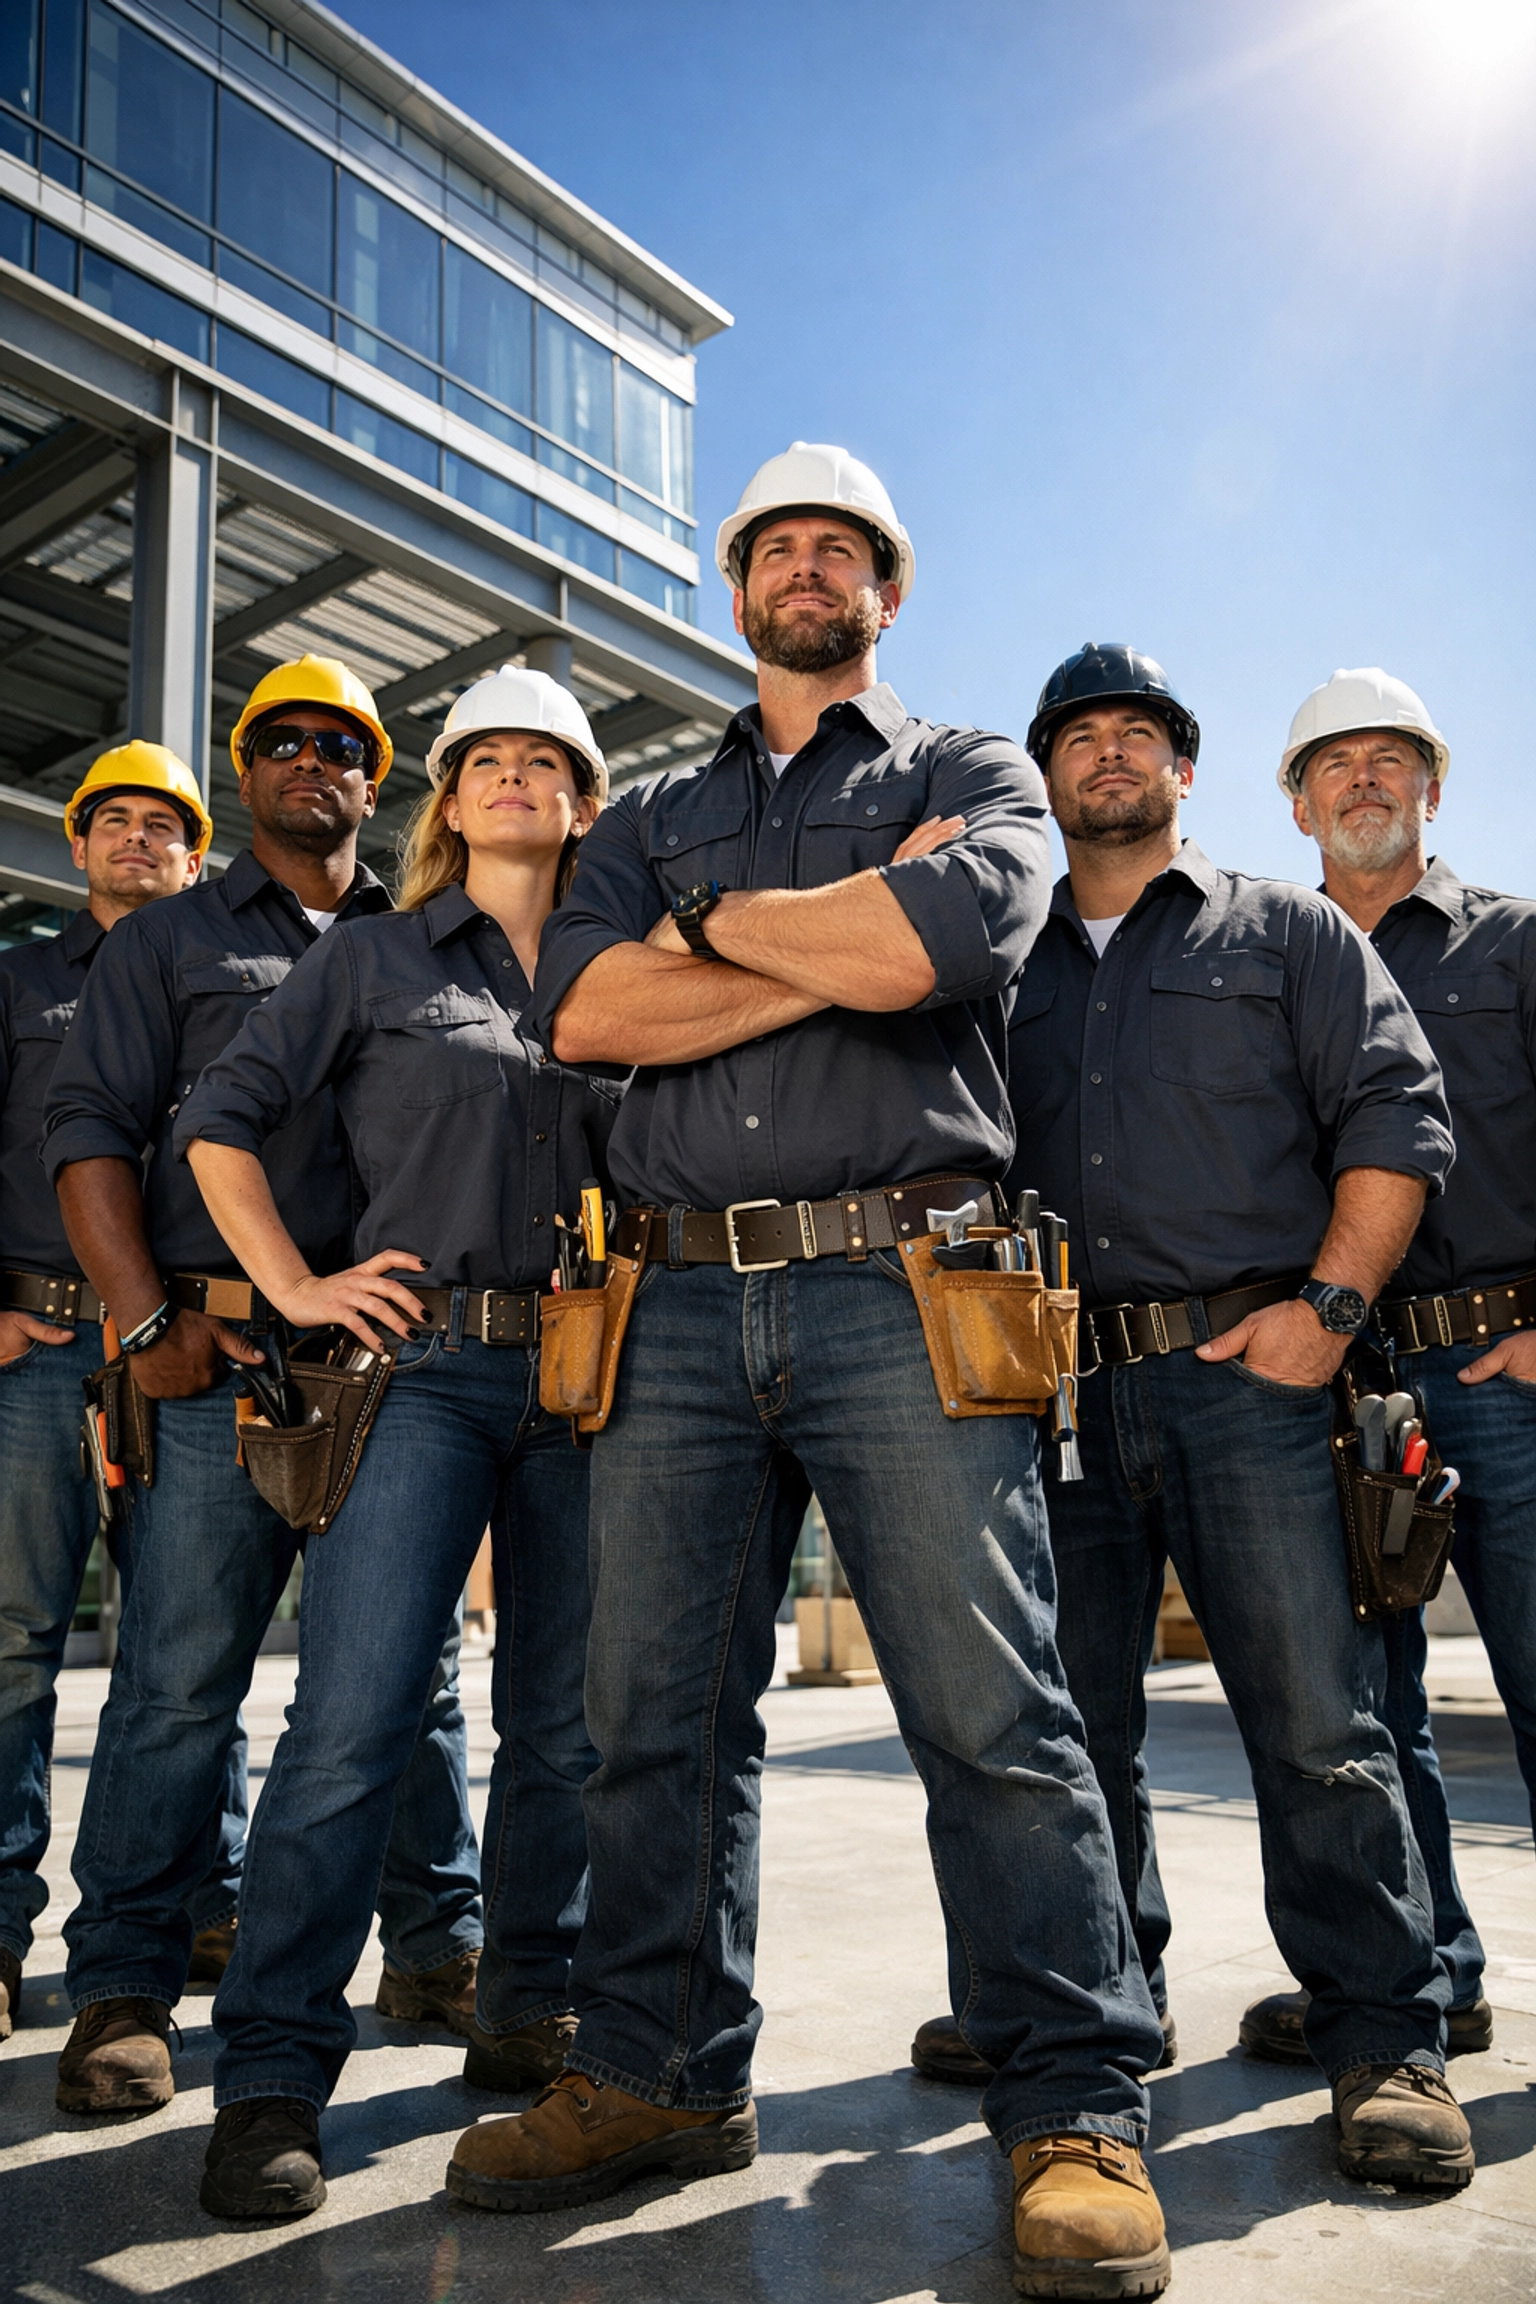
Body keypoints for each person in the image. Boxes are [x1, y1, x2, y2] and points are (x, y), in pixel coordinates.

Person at [455, 447, 1175, 2304]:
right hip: (677, 1301)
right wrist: (831, 945)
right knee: (653, 1720)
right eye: (775, 544)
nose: (805, 566)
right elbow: (587, 1011)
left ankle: (1072, 2102)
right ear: (738, 583)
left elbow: (960, 936)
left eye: (839, 547)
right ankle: (658, 2075)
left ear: (888, 589)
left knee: (991, 1711)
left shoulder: (970, 774)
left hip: (906, 1280)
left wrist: (732, 940)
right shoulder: (660, 805)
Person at [972, 641, 1473, 2196]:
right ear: (1045, 777)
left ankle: (1384, 2037)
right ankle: (1096, 2012)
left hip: (1251, 1379)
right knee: (1074, 1738)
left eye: (1140, 736)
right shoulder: (998, 960)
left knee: (1320, 1724)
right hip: (1054, 1391)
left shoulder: (1290, 930)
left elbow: (1401, 1115)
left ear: (1185, 770)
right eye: (1079, 737)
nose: (1109, 755)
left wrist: (1325, 1317)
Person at [173, 665, 615, 2220]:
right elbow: (218, 1127)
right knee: (353, 1720)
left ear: (581, 798)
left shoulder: (630, 968)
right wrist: (296, 1285)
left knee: (564, 1726)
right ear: (446, 796)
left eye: (540, 759)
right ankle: (275, 2075)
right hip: (417, 1374)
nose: (510, 778)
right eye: (481, 758)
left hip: (589, 1385)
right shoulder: (367, 960)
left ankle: (529, 2002)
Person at [40, 657, 482, 2117]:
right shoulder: (162, 943)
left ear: (379, 773)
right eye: (284, 741)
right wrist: (140, 1317)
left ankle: (437, 1946)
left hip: (391, 1370)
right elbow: (90, 1134)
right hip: (211, 1362)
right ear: (247, 773)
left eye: (343, 743)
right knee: (176, 1681)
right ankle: (124, 1981)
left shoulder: (432, 938)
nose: (315, 761)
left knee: (409, 1686)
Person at [1239, 667, 1532, 2064]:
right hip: (1351, 1394)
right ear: (1296, 803)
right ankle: (1427, 1975)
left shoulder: (1512, 943)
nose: (1362, 780)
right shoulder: (1254, 966)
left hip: (1509, 1372)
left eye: (1390, 760)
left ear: (1431, 788)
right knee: (1369, 1708)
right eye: (1333, 763)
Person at [0, 748, 207, 2044]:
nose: (138, 841)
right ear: (78, 848)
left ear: (197, 856)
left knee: (193, 1644)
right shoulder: (18, 980)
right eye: (114, 823)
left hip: (185, 1355)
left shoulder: (228, 983)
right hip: (46, 1353)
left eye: (164, 828)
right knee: (16, 1639)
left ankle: (206, 1905)